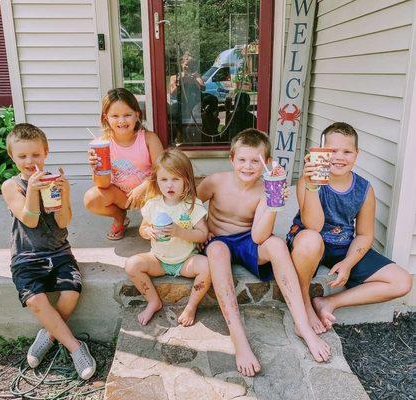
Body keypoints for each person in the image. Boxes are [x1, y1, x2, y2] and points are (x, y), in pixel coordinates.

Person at [197, 129, 331, 377]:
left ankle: (304, 327)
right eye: (242, 160)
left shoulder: (264, 188)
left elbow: (259, 236)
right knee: (216, 251)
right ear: (232, 159)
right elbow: (191, 204)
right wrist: (201, 229)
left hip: (248, 240)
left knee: (277, 245)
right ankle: (239, 339)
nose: (247, 167)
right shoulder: (215, 181)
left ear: (267, 163)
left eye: (255, 161)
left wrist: (273, 201)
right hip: (219, 242)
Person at [287, 122, 413, 334]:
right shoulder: (309, 181)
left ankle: (328, 302)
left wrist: (348, 263)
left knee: (402, 281)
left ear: (356, 154)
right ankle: (305, 305)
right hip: (308, 241)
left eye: (346, 151)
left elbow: (364, 235)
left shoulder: (364, 188)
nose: (339, 157)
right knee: (310, 239)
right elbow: (314, 225)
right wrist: (310, 185)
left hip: (342, 245)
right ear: (322, 153)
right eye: (332, 151)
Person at [1, 123, 96, 380]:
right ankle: (76, 347)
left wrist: (63, 194)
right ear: (12, 157)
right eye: (22, 156)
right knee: (35, 299)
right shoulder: (11, 186)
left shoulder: (54, 181)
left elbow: (64, 221)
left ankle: (50, 334)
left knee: (71, 293)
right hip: (27, 255)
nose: (30, 161)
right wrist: (32, 188)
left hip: (59, 252)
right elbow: (29, 220)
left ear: (46, 152)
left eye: (35, 154)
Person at [125, 148, 211, 326]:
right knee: (132, 264)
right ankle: (153, 301)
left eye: (175, 179)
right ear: (156, 181)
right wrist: (147, 232)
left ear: (186, 180)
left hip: (186, 260)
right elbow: (143, 227)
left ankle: (191, 306)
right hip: (158, 260)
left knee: (208, 267)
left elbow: (203, 234)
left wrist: (179, 232)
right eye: (164, 179)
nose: (169, 185)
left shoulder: (191, 205)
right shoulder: (153, 204)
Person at [84, 88, 163, 240]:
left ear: (137, 115)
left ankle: (151, 219)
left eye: (127, 115)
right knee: (91, 198)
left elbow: (162, 171)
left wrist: (143, 187)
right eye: (115, 116)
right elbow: (103, 184)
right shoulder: (102, 144)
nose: (121, 121)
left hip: (149, 193)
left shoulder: (149, 139)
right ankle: (120, 218)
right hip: (121, 195)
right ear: (106, 117)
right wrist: (96, 169)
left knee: (158, 229)